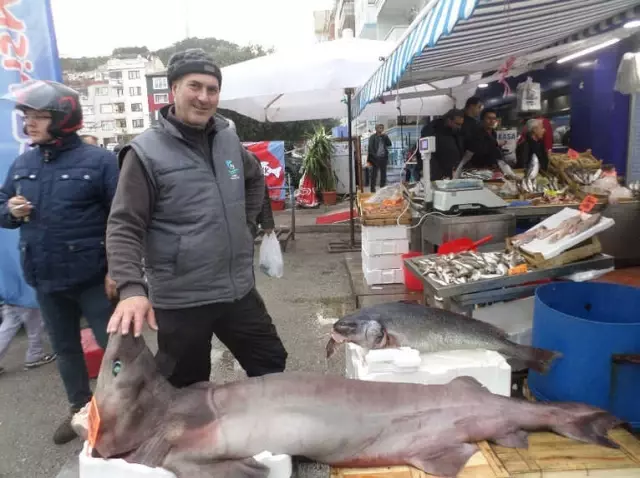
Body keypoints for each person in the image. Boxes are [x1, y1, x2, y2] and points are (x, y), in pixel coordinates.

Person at [105, 48, 288, 389]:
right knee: (185, 385)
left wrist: (246, 224)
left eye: (212, 89)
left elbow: (255, 178)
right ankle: (197, 441)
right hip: (181, 298)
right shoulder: (145, 152)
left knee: (270, 362)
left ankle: (263, 438)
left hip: (237, 290)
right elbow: (124, 224)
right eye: (195, 86)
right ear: (174, 88)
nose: (204, 97)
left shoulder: (228, 139)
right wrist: (131, 288)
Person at [0, 80, 119, 444]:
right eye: (26, 117)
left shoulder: (100, 161)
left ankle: (126, 410)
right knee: (66, 351)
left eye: (38, 117)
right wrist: (10, 210)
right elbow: (2, 208)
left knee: (117, 352)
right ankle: (80, 412)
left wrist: (119, 270)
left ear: (64, 119)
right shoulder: (23, 163)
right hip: (45, 278)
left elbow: (122, 219)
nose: (28, 124)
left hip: (93, 279)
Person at [0, 231, 56, 376]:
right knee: (36, 322)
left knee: (9, 324)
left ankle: (35, 353)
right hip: (24, 287)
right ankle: (35, 354)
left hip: (9, 287)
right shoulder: (15, 226)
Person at [418, 109, 465, 180]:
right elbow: (427, 154)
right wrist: (436, 174)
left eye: (461, 124)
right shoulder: (432, 130)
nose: (459, 127)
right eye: (457, 124)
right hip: (436, 175)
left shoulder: (455, 131)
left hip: (452, 173)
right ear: (449, 120)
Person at [453, 96, 484, 176]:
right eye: (479, 107)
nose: (480, 110)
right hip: (465, 164)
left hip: (462, 163)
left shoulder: (469, 122)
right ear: (471, 106)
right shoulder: (467, 123)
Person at [367, 124, 392, 192]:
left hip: (383, 157)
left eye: (382, 128)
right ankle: (372, 189)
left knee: (383, 174)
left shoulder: (384, 137)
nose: (381, 129)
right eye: (380, 128)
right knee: (374, 174)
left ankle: (382, 188)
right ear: (376, 129)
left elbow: (389, 144)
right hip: (375, 158)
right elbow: (370, 148)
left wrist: (386, 137)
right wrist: (374, 157)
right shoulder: (372, 137)